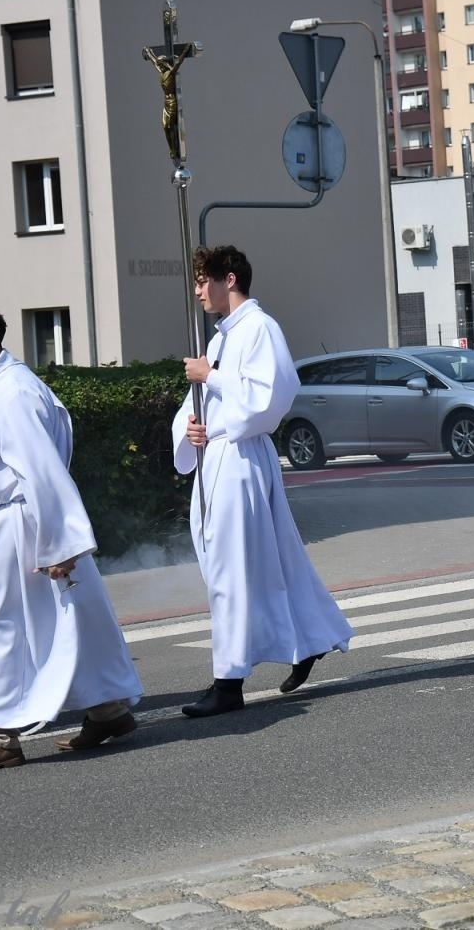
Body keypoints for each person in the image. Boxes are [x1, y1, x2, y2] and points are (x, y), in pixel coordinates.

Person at [0, 305, 142, 775]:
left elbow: (42, 473)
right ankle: (108, 710)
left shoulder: (12, 394)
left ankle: (0, 735)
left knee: (3, 628)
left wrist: (59, 544)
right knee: (75, 618)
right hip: (18, 524)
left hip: (22, 529)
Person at [174, 245, 355, 717]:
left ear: (228, 279)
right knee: (262, 563)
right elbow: (206, 402)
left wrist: (210, 377)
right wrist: (192, 426)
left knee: (232, 571)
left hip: (241, 459)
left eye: (201, 280)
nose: (197, 291)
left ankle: (227, 681)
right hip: (217, 456)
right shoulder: (220, 338)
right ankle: (312, 637)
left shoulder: (260, 328)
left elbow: (272, 395)